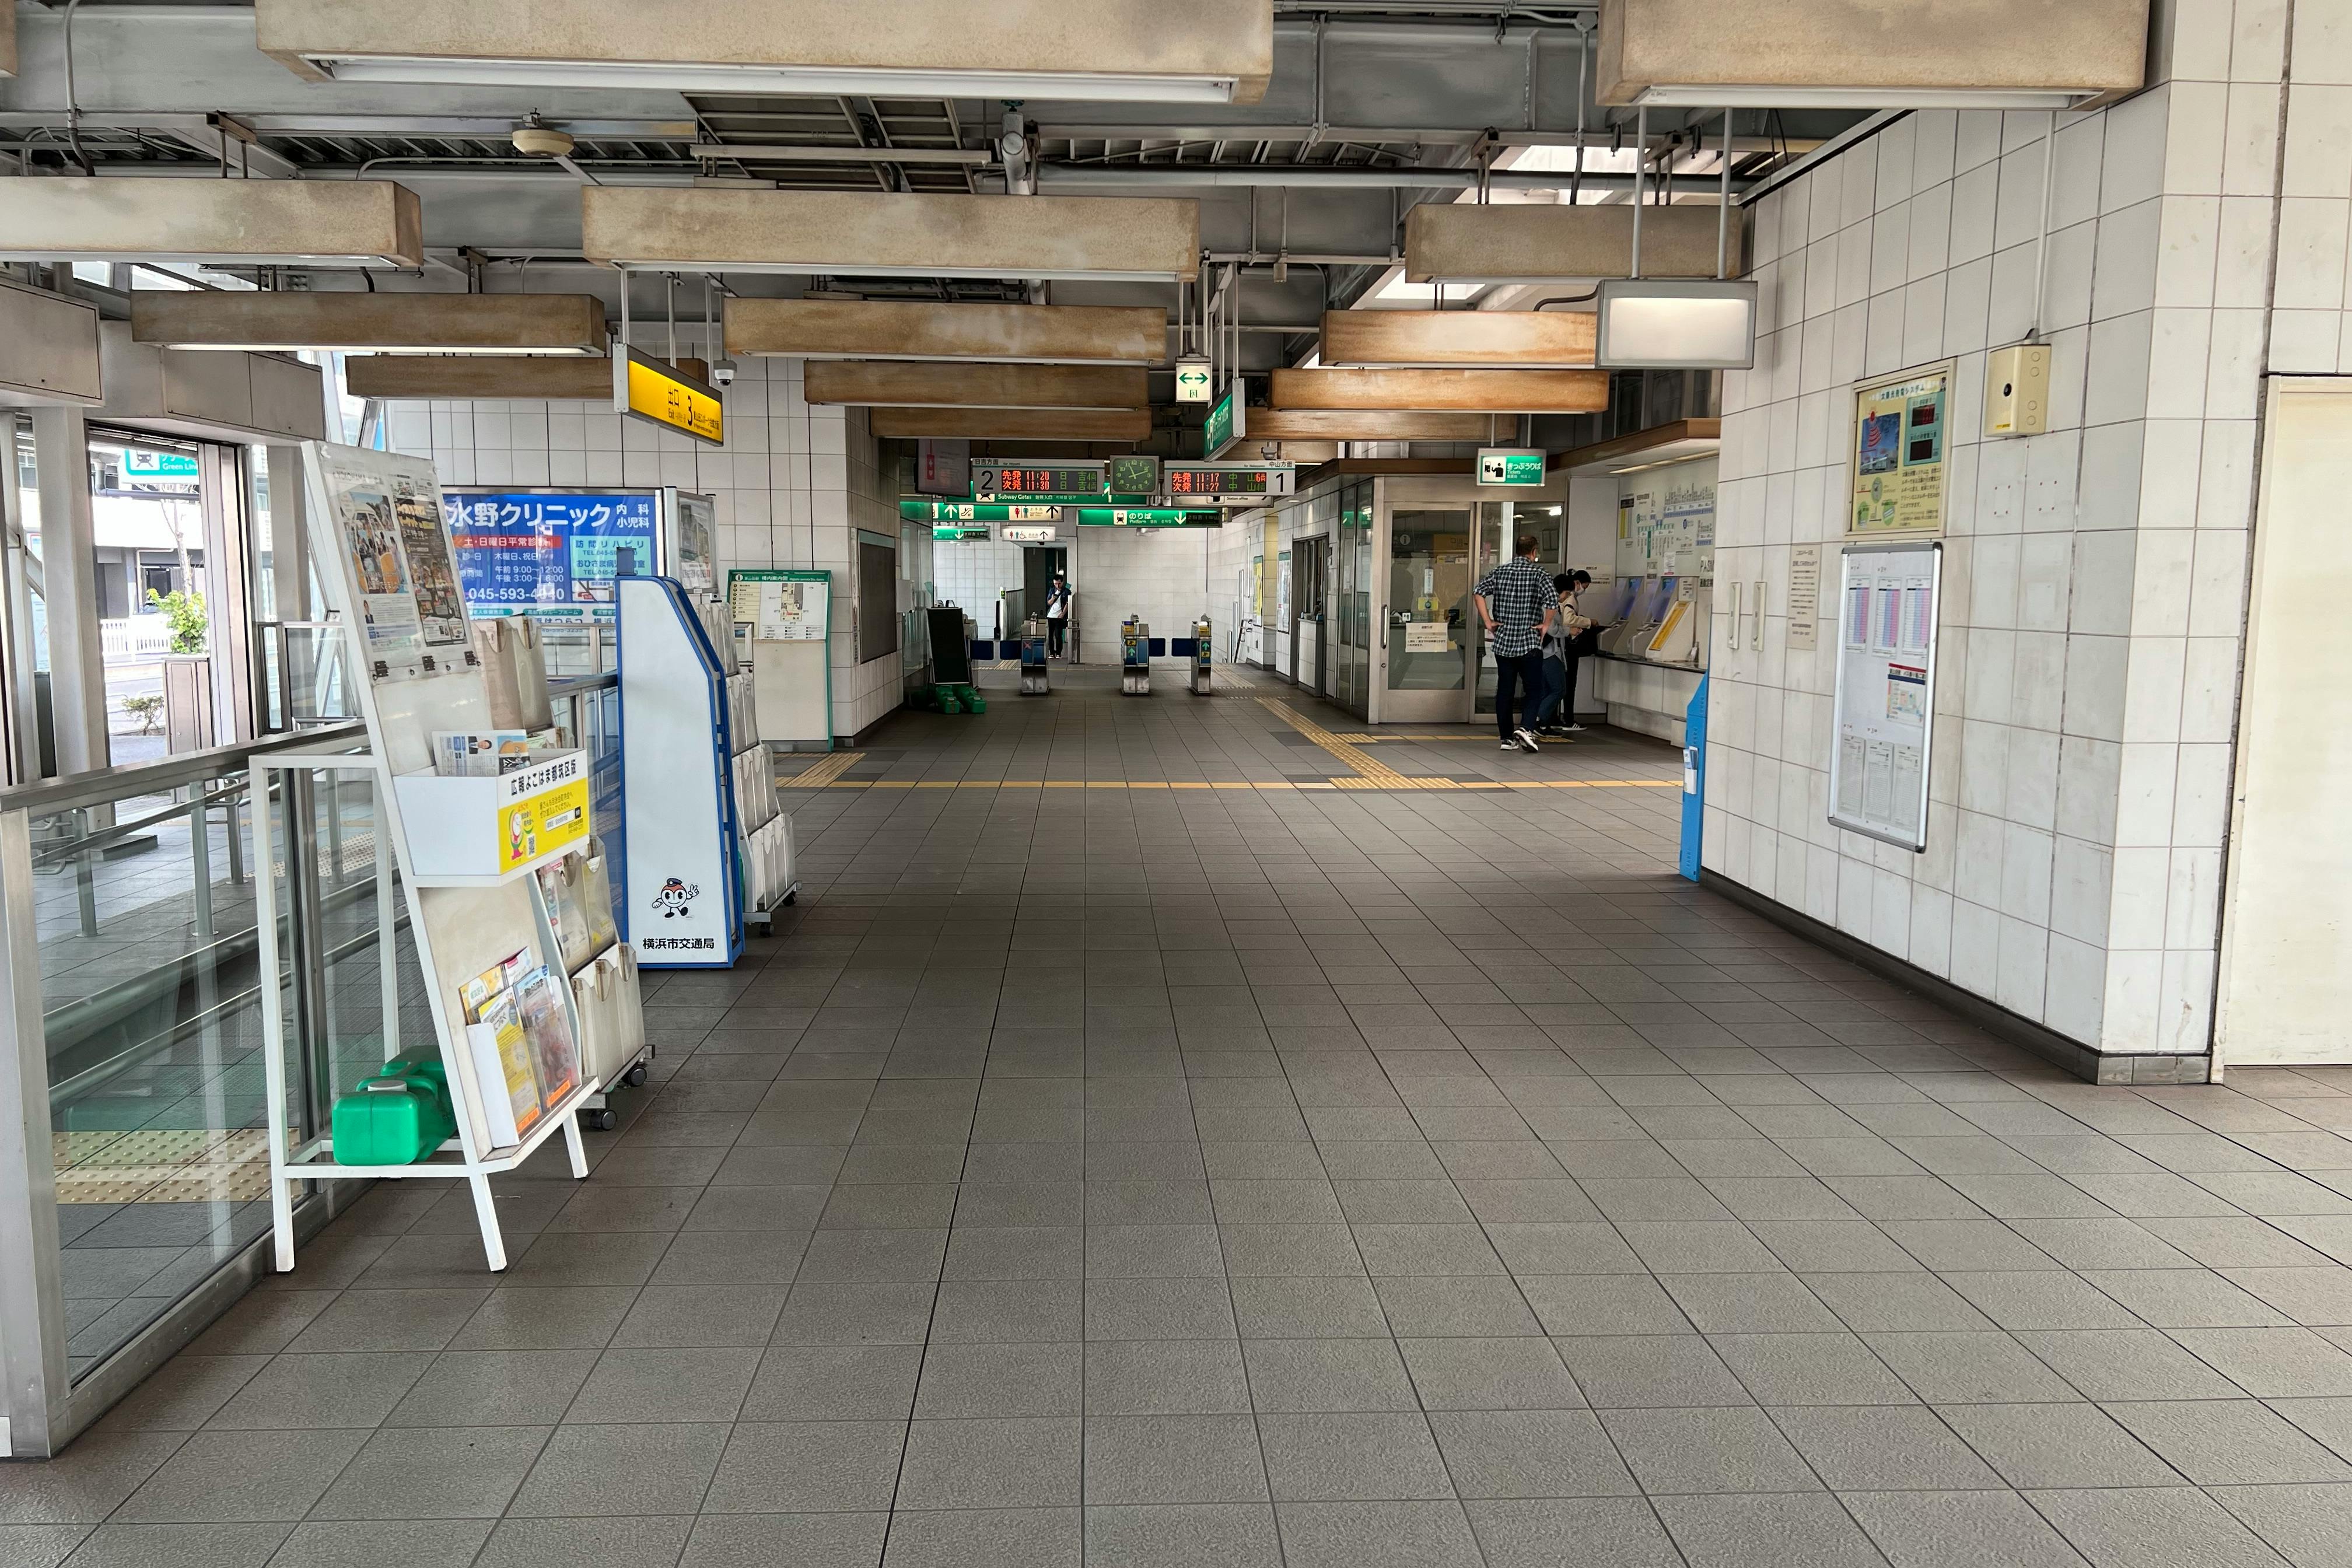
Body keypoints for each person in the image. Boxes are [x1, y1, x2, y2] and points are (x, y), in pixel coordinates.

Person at [1475, 533, 1560, 752]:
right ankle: (1526, 728)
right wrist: (1545, 625)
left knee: (1505, 690)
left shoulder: (1501, 571)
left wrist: (1488, 622)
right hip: (1529, 642)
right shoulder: (1539, 572)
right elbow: (1552, 601)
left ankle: (1506, 739)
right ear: (1534, 552)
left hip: (1504, 643)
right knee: (1534, 689)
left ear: (1516, 551)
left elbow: (1478, 593)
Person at [1536, 569, 1596, 738]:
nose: (1567, 596)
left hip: (1550, 653)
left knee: (1551, 689)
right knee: (1559, 689)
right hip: (1549, 653)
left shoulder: (1549, 602)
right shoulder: (1550, 605)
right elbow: (1552, 629)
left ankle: (1543, 724)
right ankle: (1537, 719)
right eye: (1567, 593)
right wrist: (1570, 631)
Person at [1042, 571, 1072, 658]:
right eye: (1055, 584)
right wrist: (1053, 598)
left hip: (1059, 617)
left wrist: (1063, 614)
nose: (1057, 586)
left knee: (1058, 635)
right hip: (1050, 616)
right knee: (1050, 636)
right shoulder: (1052, 590)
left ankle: (1059, 653)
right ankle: (1052, 653)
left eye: (1059, 584)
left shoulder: (1067, 591)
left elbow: (1067, 604)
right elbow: (1049, 603)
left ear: (1062, 582)